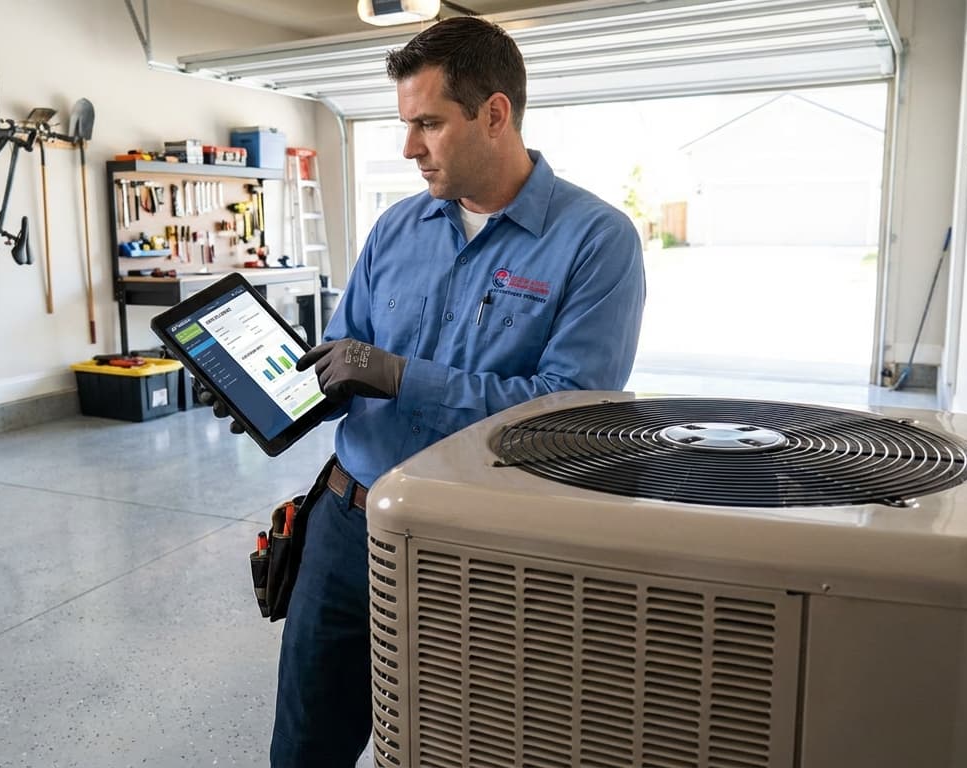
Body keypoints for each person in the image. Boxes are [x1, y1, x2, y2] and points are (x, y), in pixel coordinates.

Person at [206, 15, 645, 767]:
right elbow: (343, 367)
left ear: (495, 114)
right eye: (405, 124)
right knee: (305, 745)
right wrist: (277, 393)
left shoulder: (596, 241)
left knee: (456, 746)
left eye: (429, 124)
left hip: (483, 547)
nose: (409, 147)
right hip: (347, 524)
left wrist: (404, 376)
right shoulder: (395, 230)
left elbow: (573, 409)